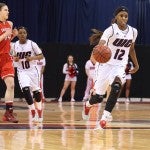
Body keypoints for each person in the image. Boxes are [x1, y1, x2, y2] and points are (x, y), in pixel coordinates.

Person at [82, 6, 139, 129]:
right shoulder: (110, 30)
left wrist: (136, 63)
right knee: (98, 97)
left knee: (117, 86)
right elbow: (102, 44)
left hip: (120, 65)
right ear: (116, 17)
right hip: (104, 65)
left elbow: (132, 48)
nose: (124, 18)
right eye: (121, 15)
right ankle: (87, 105)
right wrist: (98, 50)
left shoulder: (133, 31)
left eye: (126, 16)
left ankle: (104, 118)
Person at [12, 26, 44, 123]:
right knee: (26, 90)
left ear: (27, 34)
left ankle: (39, 110)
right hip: (22, 71)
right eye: (20, 33)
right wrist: (15, 59)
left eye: (24, 33)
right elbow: (13, 56)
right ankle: (33, 111)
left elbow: (41, 56)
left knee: (37, 94)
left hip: (33, 71)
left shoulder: (32, 44)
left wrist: (32, 58)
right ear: (18, 34)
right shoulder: (14, 45)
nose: (22, 34)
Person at [0, 3, 18, 123]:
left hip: (6, 58)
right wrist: (5, 35)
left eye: (8, 10)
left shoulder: (10, 24)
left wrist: (13, 36)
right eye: (6, 10)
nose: (8, 12)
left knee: (11, 84)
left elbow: (6, 41)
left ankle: (8, 112)